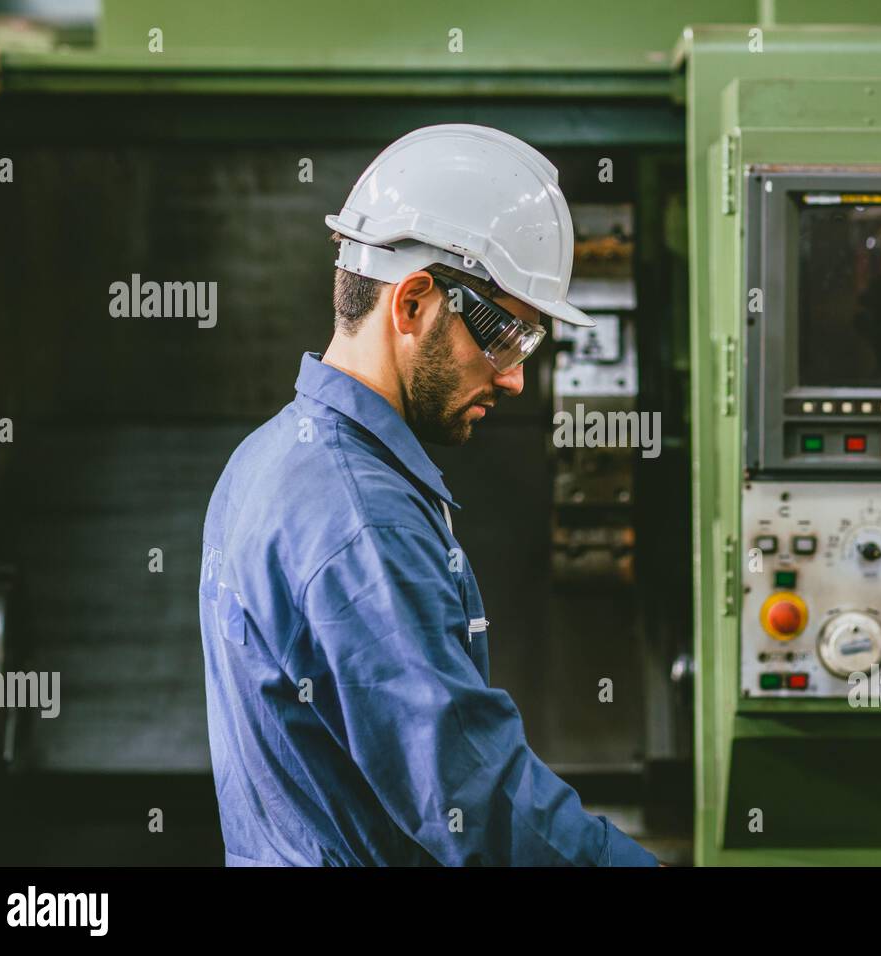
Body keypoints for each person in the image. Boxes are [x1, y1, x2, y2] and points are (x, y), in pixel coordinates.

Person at [198, 124, 657, 866]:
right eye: (504, 338)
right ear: (413, 303)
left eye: (527, 347)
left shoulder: (270, 457)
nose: (513, 377)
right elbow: (473, 799)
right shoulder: (359, 515)